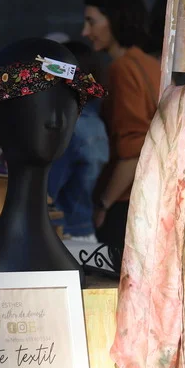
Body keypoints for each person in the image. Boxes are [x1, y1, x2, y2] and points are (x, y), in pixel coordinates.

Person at [82, 0, 161, 255]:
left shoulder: (123, 69)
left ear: (114, 19)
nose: (85, 32)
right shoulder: (150, 65)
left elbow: (133, 150)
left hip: (125, 203)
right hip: (149, 199)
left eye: (91, 21)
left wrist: (103, 204)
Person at [48, 41, 110, 240]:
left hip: (61, 234)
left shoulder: (69, 128)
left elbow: (46, 193)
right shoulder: (95, 123)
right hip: (83, 230)